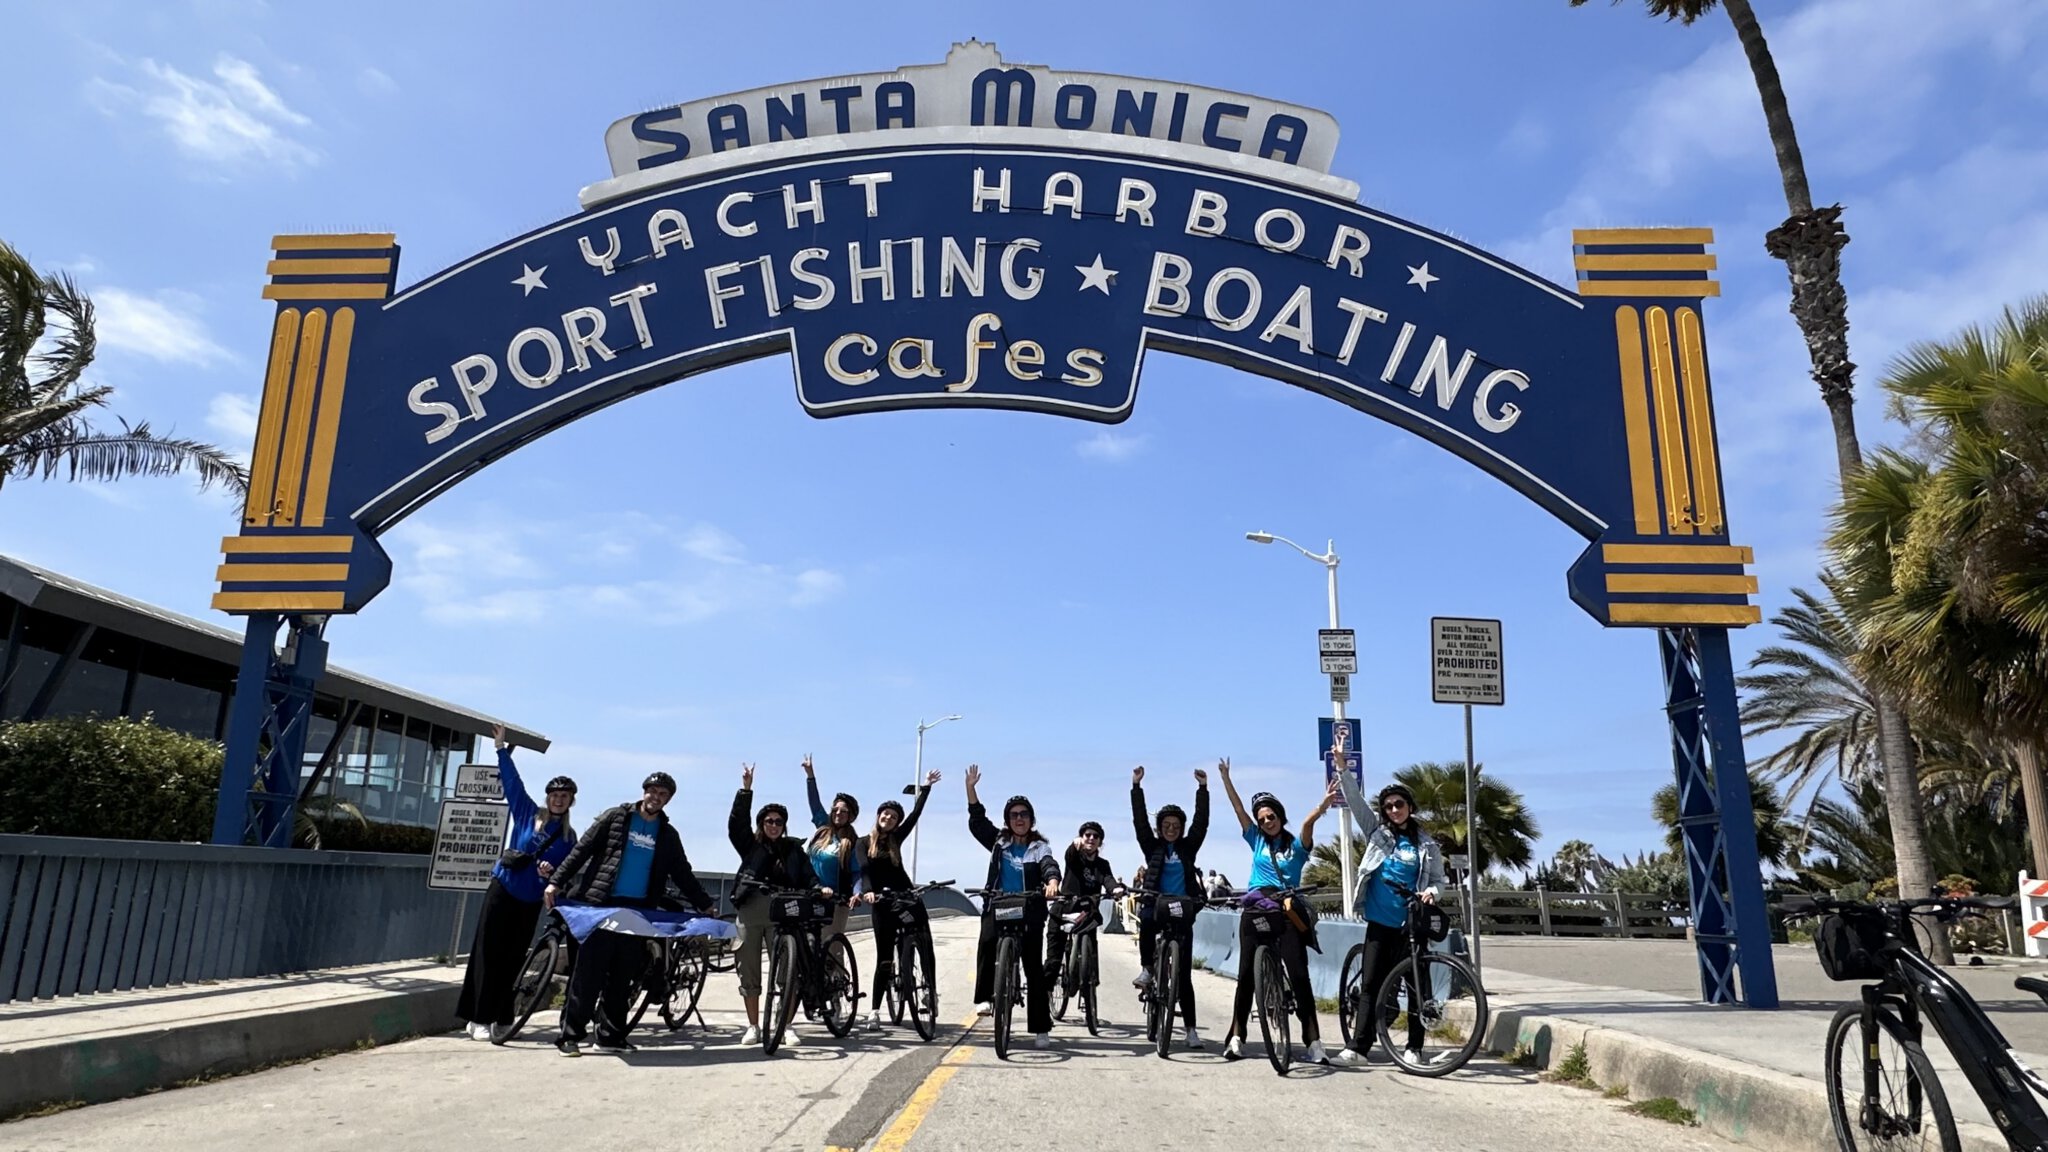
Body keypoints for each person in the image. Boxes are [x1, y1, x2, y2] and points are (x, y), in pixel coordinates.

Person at [544, 771, 715, 1056]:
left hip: (638, 911)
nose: (656, 798)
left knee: (623, 976)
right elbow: (582, 851)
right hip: (603, 905)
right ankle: (570, 1036)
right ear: (644, 791)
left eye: (663, 795)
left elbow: (682, 873)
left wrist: (704, 904)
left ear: (668, 800)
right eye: (653, 791)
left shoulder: (667, 834)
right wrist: (556, 881)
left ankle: (609, 1037)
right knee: (589, 973)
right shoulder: (615, 818)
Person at [1215, 757, 1339, 1065]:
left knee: (1298, 974)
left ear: (1280, 817)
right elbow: (1238, 810)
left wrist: (1324, 805)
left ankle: (1313, 1041)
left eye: (1271, 816)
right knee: (1245, 976)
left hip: (1287, 907)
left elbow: (1308, 824)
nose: (1267, 821)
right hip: (1257, 906)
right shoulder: (1256, 840)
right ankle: (1236, 1037)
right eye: (1263, 818)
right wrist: (1225, 777)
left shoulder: (1296, 847)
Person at [458, 724, 576, 1044]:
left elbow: (566, 871)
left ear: (570, 802)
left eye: (565, 797)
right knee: (488, 952)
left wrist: (552, 874)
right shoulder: (527, 813)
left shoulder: (569, 838)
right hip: (503, 889)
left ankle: (501, 1017)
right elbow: (512, 783)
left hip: (529, 902)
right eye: (555, 795)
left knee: (514, 960)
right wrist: (500, 749)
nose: (559, 800)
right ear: (548, 797)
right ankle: (477, 1017)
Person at [1334, 772, 1449, 1065]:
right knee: (1372, 984)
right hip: (1379, 923)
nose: (1394, 810)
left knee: (1417, 988)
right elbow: (1356, 803)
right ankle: (1358, 1048)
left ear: (1409, 806)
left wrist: (1432, 893)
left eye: (1399, 804)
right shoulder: (1378, 833)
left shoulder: (1426, 845)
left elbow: (1438, 880)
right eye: (1388, 806)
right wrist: (1342, 768)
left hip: (1411, 924)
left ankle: (1414, 1049)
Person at [964, 763, 1061, 1049]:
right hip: (1000, 902)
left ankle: (1041, 1028)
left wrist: (1053, 882)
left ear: (1031, 819)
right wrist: (971, 790)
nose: (1019, 819)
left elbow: (1049, 866)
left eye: (1024, 815)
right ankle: (985, 996)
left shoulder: (1039, 848)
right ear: (1008, 820)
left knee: (1033, 966)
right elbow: (977, 823)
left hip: (1030, 906)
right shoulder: (1000, 843)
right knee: (987, 942)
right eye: (1014, 815)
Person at [729, 761, 822, 1048]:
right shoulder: (750, 845)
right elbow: (736, 825)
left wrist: (819, 888)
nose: (773, 825)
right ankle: (754, 1026)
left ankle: (787, 1024)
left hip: (783, 912)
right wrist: (746, 790)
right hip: (751, 910)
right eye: (768, 821)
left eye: (778, 821)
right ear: (761, 824)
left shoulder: (793, 848)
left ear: (784, 825)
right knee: (749, 969)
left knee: (787, 971)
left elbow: (808, 875)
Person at [1129, 763, 1210, 1050]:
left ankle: (1190, 1030)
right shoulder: (1153, 848)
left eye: (1176, 826)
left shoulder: (1188, 848)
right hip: (1156, 902)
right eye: (1167, 826)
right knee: (1147, 919)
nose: (1172, 829)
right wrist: (1137, 787)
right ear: (1160, 829)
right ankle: (1148, 969)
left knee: (1184, 975)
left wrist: (1203, 789)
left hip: (1183, 908)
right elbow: (1140, 823)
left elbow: (1201, 823)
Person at [855, 769, 941, 1032]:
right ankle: (875, 1011)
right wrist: (868, 892)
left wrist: (926, 787)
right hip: (881, 900)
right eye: (886, 814)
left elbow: (915, 816)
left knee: (925, 942)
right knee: (884, 957)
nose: (889, 818)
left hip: (905, 895)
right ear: (878, 816)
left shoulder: (896, 838)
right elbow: (864, 870)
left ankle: (930, 991)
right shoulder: (862, 843)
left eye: (893, 817)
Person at [1042, 820, 1119, 995]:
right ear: (1081, 838)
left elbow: (1108, 879)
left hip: (1086, 912)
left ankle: (1089, 988)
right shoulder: (1075, 857)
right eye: (1087, 835)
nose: (1091, 838)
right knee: (1053, 960)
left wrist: (1115, 889)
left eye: (1095, 836)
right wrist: (1074, 845)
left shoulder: (1102, 864)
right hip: (1064, 908)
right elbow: (1069, 856)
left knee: (1090, 951)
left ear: (1100, 842)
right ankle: (1043, 1004)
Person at [802, 754, 864, 942]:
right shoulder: (823, 829)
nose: (838, 813)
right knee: (806, 945)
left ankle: (837, 973)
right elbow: (814, 804)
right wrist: (810, 775)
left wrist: (857, 893)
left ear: (851, 816)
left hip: (835, 900)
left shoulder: (852, 842)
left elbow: (857, 873)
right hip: (810, 894)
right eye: (835, 809)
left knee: (832, 948)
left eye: (843, 811)